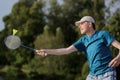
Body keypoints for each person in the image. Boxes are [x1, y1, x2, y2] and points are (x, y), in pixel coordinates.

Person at [36, 16, 120, 80]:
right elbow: (66, 50)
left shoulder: (102, 34)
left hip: (107, 72)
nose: (79, 26)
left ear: (90, 24)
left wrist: (118, 58)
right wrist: (46, 51)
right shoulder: (83, 40)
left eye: (82, 23)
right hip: (92, 75)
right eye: (79, 24)